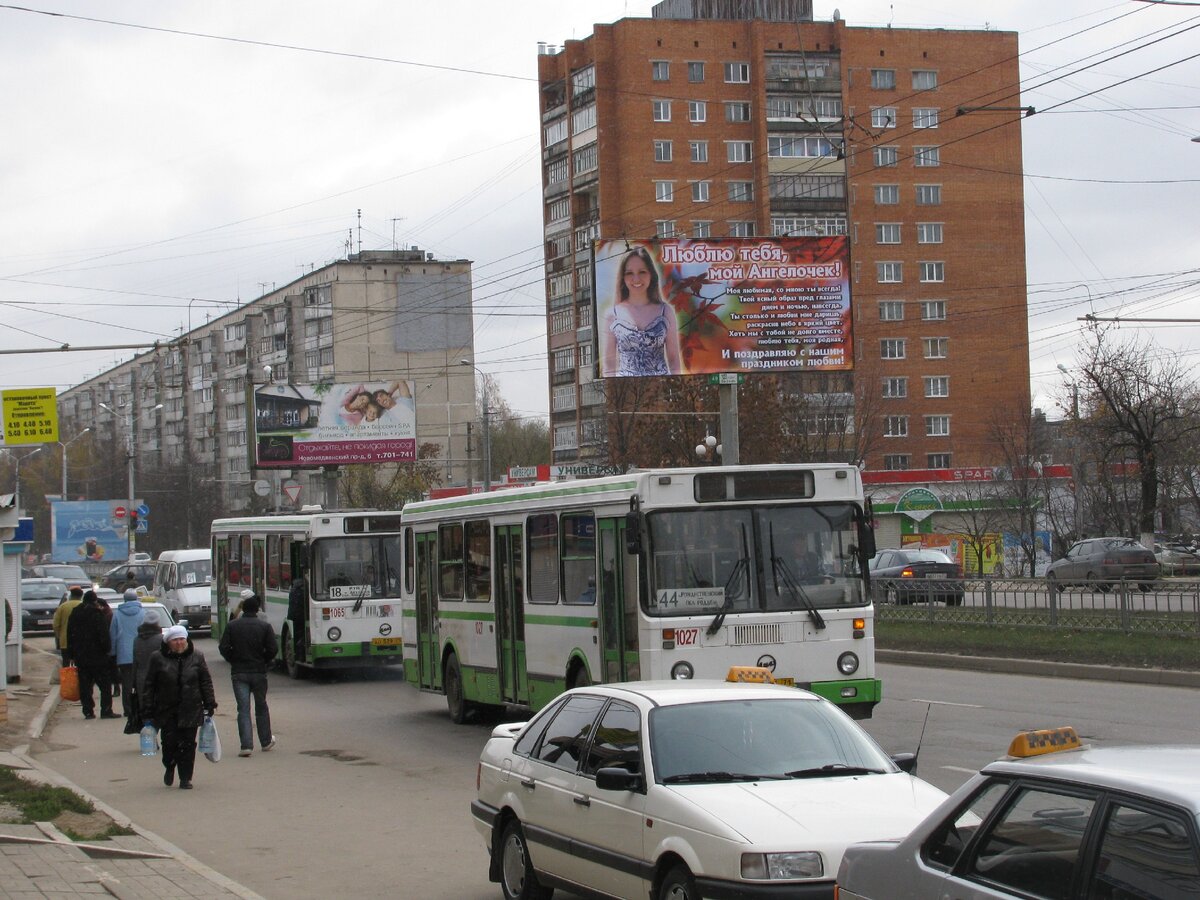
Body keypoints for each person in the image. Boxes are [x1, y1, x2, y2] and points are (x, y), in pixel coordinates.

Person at [142, 624, 217, 790]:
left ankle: (185, 778)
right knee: (169, 744)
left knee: (188, 745)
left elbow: (205, 681)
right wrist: (147, 709)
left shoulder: (197, 656)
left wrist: (209, 703)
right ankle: (169, 766)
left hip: (191, 708)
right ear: (168, 642)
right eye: (175, 640)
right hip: (167, 710)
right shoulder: (157, 658)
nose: (179, 643)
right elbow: (149, 685)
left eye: (182, 639)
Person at [601, 246, 682, 377]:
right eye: (629, 273)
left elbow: (674, 361)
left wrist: (677, 391)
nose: (636, 279)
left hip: (661, 389)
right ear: (623, 277)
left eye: (642, 272)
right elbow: (609, 366)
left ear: (651, 274)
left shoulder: (665, 311)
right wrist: (613, 395)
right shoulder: (612, 315)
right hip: (625, 392)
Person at [219, 590, 278, 757]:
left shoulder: (232, 626)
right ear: (257, 609)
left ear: (243, 608)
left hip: (239, 672)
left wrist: (233, 659)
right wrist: (264, 660)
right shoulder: (264, 626)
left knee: (243, 709)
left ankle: (246, 745)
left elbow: (223, 648)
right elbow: (273, 649)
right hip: (259, 672)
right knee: (261, 706)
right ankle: (266, 741)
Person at [66, 590, 117, 720]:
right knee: (105, 685)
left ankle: (88, 711)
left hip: (81, 656)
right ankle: (106, 710)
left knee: (85, 685)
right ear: (95, 601)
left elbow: (70, 634)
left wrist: (71, 654)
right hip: (98, 656)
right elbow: (103, 636)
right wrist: (107, 650)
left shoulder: (75, 613)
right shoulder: (97, 614)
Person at [109, 589, 145, 728]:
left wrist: (113, 652)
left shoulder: (117, 615)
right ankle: (141, 707)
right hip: (140, 653)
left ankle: (128, 709)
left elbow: (112, 635)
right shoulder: (143, 613)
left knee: (127, 684)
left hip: (124, 654)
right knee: (141, 682)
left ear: (124, 600)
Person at [129, 608, 164, 735]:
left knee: (145, 706)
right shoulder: (161, 639)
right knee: (159, 706)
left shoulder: (137, 640)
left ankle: (148, 732)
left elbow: (135, 662)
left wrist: (133, 682)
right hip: (158, 678)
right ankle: (155, 731)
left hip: (141, 678)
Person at [53, 587, 84, 666]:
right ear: (81, 596)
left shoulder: (62, 607)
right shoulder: (84, 606)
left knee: (66, 664)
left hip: (65, 641)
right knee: (80, 664)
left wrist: (59, 635)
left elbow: (56, 625)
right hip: (81, 641)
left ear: (71, 595)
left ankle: (68, 678)